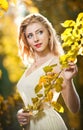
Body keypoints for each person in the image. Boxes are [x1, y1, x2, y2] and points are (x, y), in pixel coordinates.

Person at [16, 13, 80, 130]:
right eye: (30, 35)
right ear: (26, 40)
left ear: (49, 33)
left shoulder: (58, 63)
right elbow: (31, 101)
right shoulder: (30, 66)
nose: (36, 39)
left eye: (40, 32)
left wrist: (69, 81)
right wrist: (22, 114)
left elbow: (74, 108)